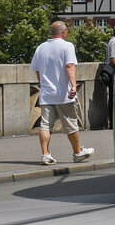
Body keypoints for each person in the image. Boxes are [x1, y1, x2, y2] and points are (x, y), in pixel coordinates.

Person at [30, 21, 95, 165]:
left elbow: (37, 70)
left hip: (46, 94)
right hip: (63, 94)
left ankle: (45, 154)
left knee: (45, 126)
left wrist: (44, 85)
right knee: (71, 124)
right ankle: (77, 152)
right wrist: (73, 86)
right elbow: (70, 66)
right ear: (64, 32)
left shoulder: (41, 48)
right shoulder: (67, 46)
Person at [98, 23, 115, 130]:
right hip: (114, 75)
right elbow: (113, 59)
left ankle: (112, 121)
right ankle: (112, 122)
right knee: (113, 99)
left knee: (112, 98)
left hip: (113, 75)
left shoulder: (112, 41)